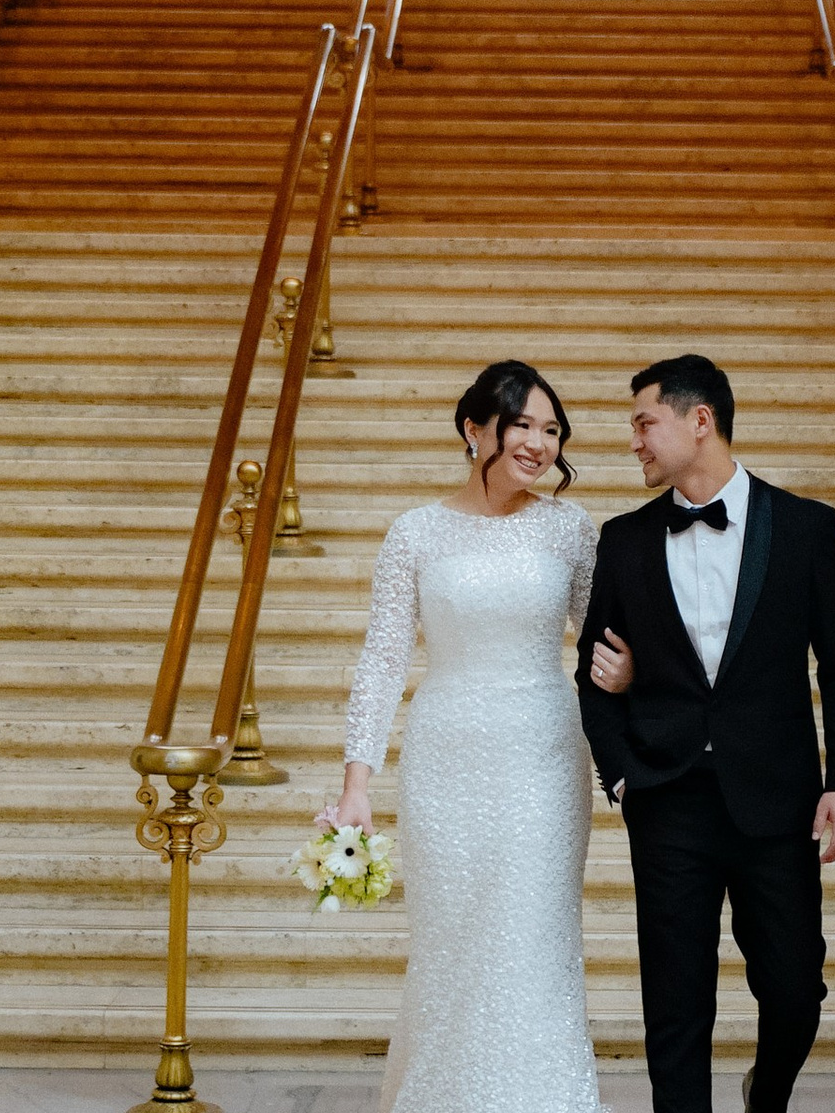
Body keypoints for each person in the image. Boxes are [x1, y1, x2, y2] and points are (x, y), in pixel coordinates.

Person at [575, 353, 835, 1113]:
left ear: (697, 419)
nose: (634, 441)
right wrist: (619, 773)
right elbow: (592, 671)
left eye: (645, 422)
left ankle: (766, 1093)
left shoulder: (806, 528)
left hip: (777, 797)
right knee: (675, 999)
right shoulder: (625, 540)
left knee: (795, 985)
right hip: (666, 795)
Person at [331, 360, 605, 1112]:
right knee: (452, 946)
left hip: (544, 758)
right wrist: (358, 783)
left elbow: (604, 638)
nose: (540, 444)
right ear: (474, 429)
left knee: (534, 939)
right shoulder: (414, 533)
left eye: (553, 431)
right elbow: (384, 657)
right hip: (445, 758)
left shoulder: (570, 530)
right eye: (523, 425)